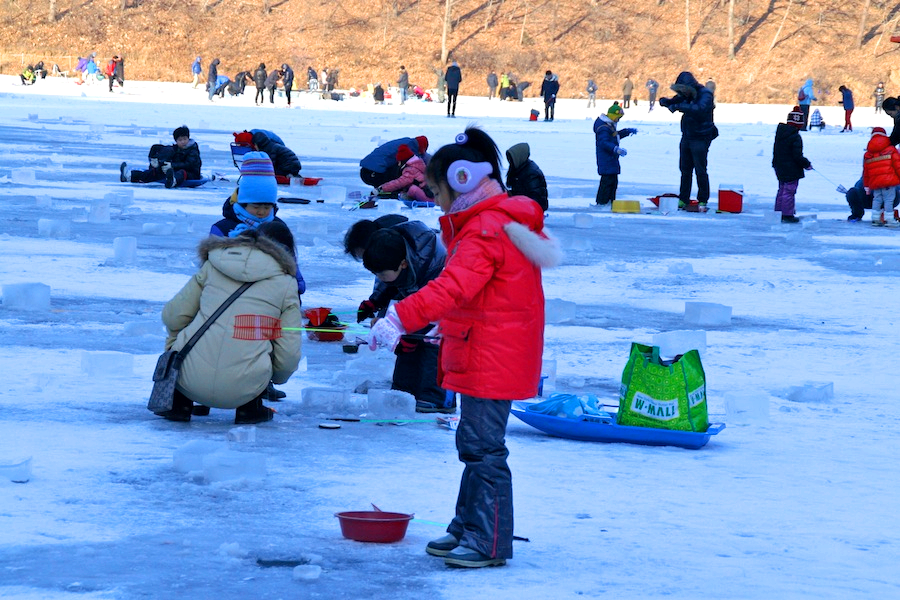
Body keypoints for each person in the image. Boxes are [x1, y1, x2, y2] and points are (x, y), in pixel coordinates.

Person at [368, 126, 562, 569]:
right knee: (473, 441)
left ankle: (488, 540)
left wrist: (399, 318)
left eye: (436, 191)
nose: (435, 201)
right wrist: (447, 324)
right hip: (486, 347)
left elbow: (452, 287)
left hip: (492, 355)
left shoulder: (485, 230)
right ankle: (468, 524)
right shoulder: (489, 222)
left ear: (462, 181)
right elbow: (482, 294)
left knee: (483, 448)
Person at [157, 224, 302, 424]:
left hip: (188, 379)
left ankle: (180, 404)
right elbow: (289, 352)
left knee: (187, 332)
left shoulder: (213, 265)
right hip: (247, 387)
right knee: (258, 338)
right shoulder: (286, 283)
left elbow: (173, 316)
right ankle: (249, 409)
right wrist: (276, 378)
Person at [352, 221, 450, 413]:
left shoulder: (433, 266)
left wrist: (411, 333)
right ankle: (404, 391)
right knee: (405, 346)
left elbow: (432, 308)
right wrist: (375, 301)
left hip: (441, 312)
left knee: (429, 343)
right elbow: (389, 282)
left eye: (381, 274)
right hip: (417, 301)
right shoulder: (394, 254)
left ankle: (436, 396)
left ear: (403, 264)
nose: (379, 277)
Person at [659, 71, 719, 211]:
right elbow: (676, 100)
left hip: (701, 136)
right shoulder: (687, 95)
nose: (682, 94)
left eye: (683, 91)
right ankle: (683, 198)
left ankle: (702, 199)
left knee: (700, 169)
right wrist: (667, 102)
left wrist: (678, 107)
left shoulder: (705, 94)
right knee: (685, 169)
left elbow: (699, 109)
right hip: (687, 135)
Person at [120, 125, 202, 188]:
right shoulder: (175, 149)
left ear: (188, 138)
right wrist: (157, 162)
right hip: (174, 171)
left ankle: (173, 181)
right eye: (180, 140)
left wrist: (172, 165)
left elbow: (189, 164)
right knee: (156, 172)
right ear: (176, 141)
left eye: (184, 139)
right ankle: (129, 176)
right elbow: (161, 150)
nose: (183, 142)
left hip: (191, 173)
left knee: (181, 172)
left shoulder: (193, 150)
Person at [771, 107, 812, 224]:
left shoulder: (780, 134)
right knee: (789, 191)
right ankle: (787, 214)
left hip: (779, 166)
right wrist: (806, 164)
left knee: (782, 189)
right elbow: (797, 156)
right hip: (791, 169)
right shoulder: (795, 137)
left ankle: (778, 212)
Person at [594, 102, 637, 206]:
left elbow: (614, 136)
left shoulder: (609, 125)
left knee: (613, 182)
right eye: (618, 118)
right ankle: (603, 202)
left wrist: (626, 131)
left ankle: (610, 202)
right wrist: (615, 149)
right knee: (607, 182)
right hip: (606, 158)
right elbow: (604, 142)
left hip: (611, 158)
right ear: (613, 116)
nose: (618, 120)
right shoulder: (603, 128)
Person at [863, 126, 900, 226]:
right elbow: (898, 165)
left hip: (875, 181)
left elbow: (865, 172)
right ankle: (889, 219)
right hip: (888, 181)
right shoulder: (891, 149)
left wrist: (866, 186)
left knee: (877, 199)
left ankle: (875, 219)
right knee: (889, 200)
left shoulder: (868, 154)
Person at [359, 135, 429, 187]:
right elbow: (417, 164)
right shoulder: (410, 147)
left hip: (365, 170)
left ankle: (382, 190)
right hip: (373, 172)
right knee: (405, 174)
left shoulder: (407, 141)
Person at [505, 142, 549, 211]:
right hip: (525, 206)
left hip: (533, 210)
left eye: (511, 159)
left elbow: (535, 199)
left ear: (518, 157)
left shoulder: (531, 174)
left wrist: (515, 201)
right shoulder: (520, 169)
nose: (510, 162)